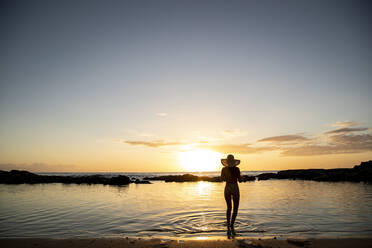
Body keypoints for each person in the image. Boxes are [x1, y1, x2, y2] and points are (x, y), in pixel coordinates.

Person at [221, 154, 241, 234]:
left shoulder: (224, 169)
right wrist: (244, 179)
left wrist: (227, 178)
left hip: (227, 188)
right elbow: (239, 180)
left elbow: (222, 179)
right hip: (235, 188)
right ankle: (232, 225)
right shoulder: (237, 169)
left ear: (227, 161)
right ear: (233, 161)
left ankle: (228, 224)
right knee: (235, 208)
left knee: (229, 207)